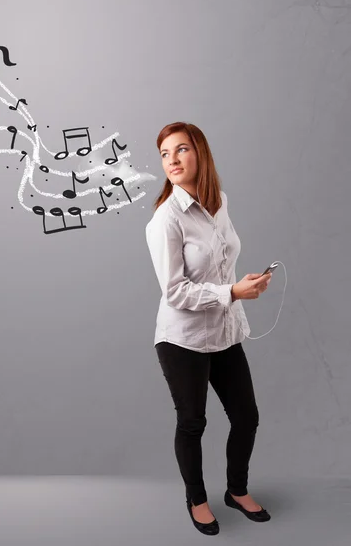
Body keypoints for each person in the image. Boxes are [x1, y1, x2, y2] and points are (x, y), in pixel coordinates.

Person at [145, 122, 272, 536]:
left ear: (201, 153)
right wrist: (231, 291)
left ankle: (236, 490)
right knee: (192, 422)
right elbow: (176, 292)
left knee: (246, 416)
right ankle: (197, 499)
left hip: (223, 330)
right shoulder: (165, 219)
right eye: (165, 154)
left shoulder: (219, 204)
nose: (173, 160)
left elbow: (221, 262)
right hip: (181, 337)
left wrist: (239, 284)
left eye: (181, 150)